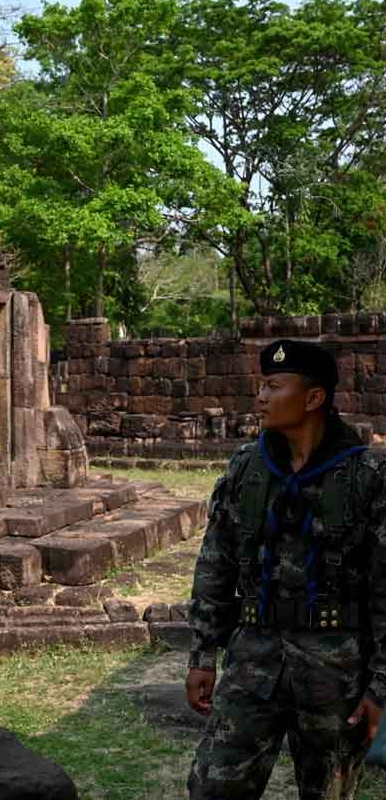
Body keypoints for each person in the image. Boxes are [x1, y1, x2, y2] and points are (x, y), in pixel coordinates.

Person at [186, 339, 386, 799]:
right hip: (251, 663)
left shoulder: (367, 477)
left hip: (335, 673)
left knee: (329, 793)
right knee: (213, 787)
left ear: (314, 398)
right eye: (261, 385)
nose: (260, 396)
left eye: (273, 386)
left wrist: (380, 687)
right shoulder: (246, 470)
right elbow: (214, 564)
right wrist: (202, 654)